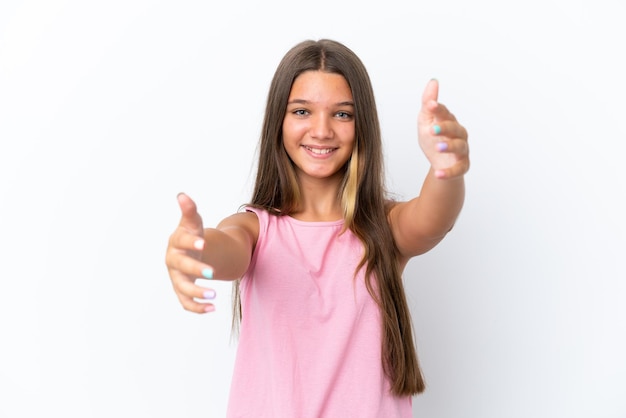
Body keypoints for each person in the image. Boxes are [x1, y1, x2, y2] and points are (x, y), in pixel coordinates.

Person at [165, 38, 469, 418]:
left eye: (342, 114)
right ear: (279, 120)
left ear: (362, 126)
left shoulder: (383, 228)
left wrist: (447, 169)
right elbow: (226, 249)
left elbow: (433, 219)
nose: (322, 130)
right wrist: (193, 247)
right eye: (302, 111)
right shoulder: (255, 229)